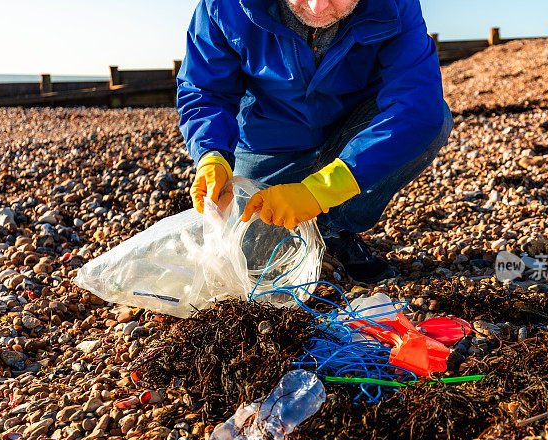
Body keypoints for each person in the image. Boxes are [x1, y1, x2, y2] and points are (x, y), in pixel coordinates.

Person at [177, 0, 453, 283]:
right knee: (250, 256)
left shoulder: (395, 5)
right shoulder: (225, 6)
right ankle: (315, 221)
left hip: (354, 131)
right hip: (269, 141)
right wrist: (212, 153)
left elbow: (416, 107)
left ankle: (335, 230)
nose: (317, 7)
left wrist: (320, 192)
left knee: (436, 119)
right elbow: (204, 89)